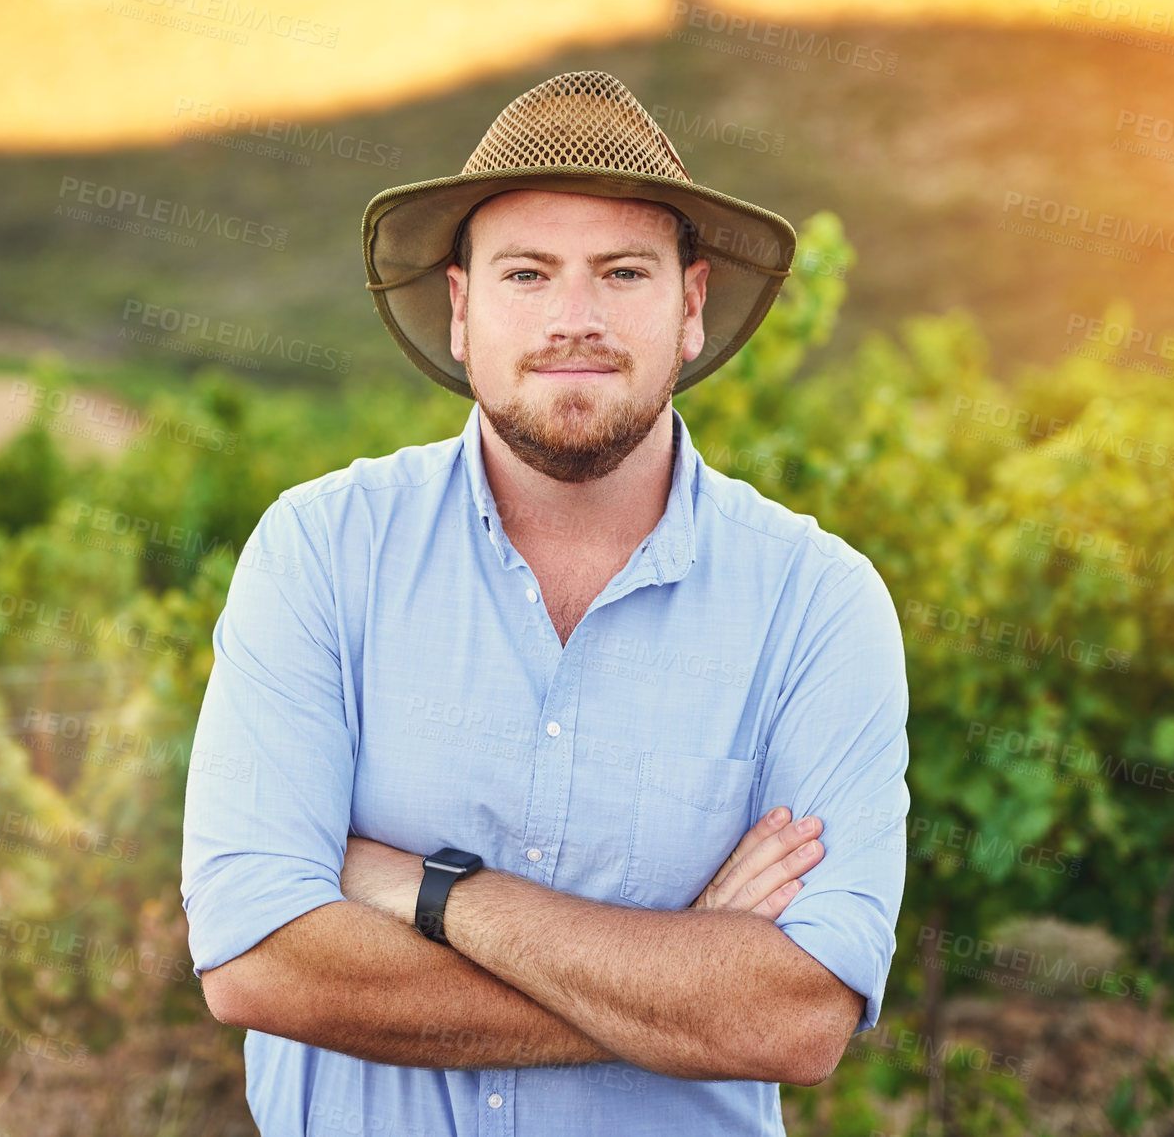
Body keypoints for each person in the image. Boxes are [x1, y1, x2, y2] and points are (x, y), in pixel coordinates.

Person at [181, 69, 909, 1135]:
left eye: (622, 272)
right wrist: (678, 982)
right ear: (464, 309)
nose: (576, 319)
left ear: (691, 306)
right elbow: (259, 966)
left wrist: (436, 896)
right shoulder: (323, 551)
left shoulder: (817, 605)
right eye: (528, 274)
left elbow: (796, 1016)